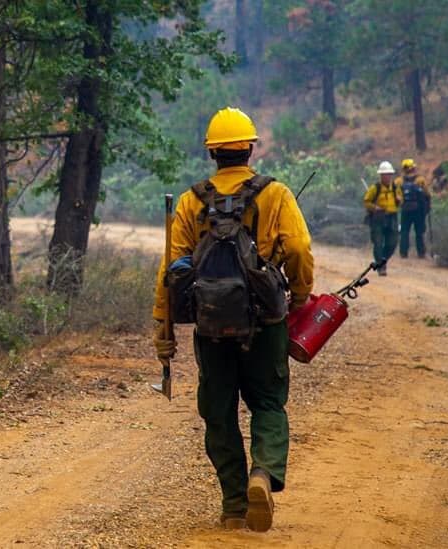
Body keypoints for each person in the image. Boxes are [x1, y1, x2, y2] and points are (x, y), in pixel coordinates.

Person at [152, 107, 314, 532]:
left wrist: (163, 333)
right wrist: (298, 296)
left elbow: (170, 272)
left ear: (212, 154)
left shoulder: (191, 201)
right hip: (265, 322)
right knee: (267, 402)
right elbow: (297, 250)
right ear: (250, 149)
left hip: (210, 325)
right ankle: (263, 472)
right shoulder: (275, 195)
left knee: (219, 411)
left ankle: (233, 504)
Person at [363, 161, 402, 275]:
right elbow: (366, 202)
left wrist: (399, 200)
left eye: (389, 174)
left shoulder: (395, 188)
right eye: (385, 174)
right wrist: (375, 208)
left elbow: (400, 201)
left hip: (392, 218)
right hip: (378, 218)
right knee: (378, 242)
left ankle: (382, 260)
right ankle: (381, 266)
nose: (388, 176)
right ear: (381, 175)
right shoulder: (375, 188)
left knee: (392, 243)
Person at [395, 158, 430, 258]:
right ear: (412, 168)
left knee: (404, 231)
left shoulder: (398, 181)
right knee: (419, 232)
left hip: (405, 210)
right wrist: (427, 208)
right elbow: (427, 194)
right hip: (418, 210)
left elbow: (396, 196)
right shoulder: (420, 180)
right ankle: (421, 253)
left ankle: (403, 253)